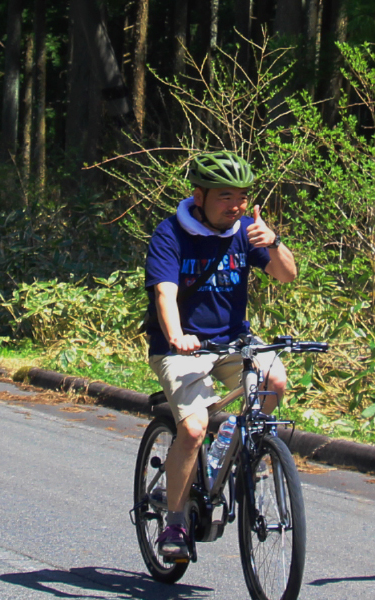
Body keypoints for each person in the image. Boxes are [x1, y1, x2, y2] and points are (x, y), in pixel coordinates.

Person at [144, 151, 296, 561]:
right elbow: (165, 293)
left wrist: (274, 242)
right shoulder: (170, 233)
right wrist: (177, 336)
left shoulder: (247, 231)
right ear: (199, 195)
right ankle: (175, 521)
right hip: (181, 347)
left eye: (242, 197)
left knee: (275, 381)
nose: (237, 206)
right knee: (192, 429)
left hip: (232, 342)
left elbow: (287, 274)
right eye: (226, 196)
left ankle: (242, 450)